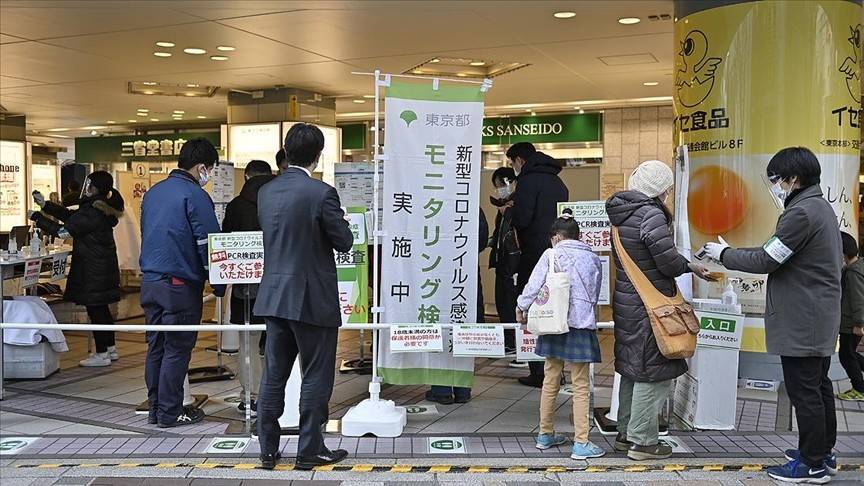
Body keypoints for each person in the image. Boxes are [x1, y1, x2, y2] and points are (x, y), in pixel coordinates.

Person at [703, 147, 841, 483]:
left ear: (794, 179)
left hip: (803, 319)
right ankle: (822, 451)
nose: (774, 185)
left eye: (776, 179)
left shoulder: (801, 214)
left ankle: (811, 464)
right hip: (816, 315)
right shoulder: (819, 207)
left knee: (804, 391)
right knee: (819, 387)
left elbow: (767, 259)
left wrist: (723, 253)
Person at [254, 123, 354, 471]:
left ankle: (267, 449)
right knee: (315, 374)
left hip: (273, 296)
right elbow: (343, 241)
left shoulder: (266, 192)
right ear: (318, 155)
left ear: (286, 151)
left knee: (274, 374)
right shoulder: (321, 193)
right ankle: (310, 449)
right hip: (312, 299)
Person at [606, 159, 712, 461]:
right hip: (650, 308)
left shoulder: (621, 215)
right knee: (653, 373)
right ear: (660, 190)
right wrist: (689, 265)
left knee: (631, 369)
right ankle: (643, 443)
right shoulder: (649, 214)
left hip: (629, 303)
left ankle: (626, 435)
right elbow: (665, 260)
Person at [140, 138, 225, 428]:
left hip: (150, 281)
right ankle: (170, 411)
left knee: (157, 347)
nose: (209, 175)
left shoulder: (154, 193)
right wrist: (218, 283)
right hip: (180, 284)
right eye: (210, 169)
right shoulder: (195, 195)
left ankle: (155, 409)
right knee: (177, 348)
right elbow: (209, 244)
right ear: (202, 167)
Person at [516, 215, 605, 459]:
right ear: (578, 235)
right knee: (580, 385)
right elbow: (595, 293)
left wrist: (521, 306)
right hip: (581, 325)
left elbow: (534, 285)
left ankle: (545, 435)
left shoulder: (551, 254)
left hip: (554, 323)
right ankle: (581, 442)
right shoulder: (593, 258)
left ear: (556, 237)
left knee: (550, 379)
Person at [30, 171, 124, 367]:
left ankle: (101, 353)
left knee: (96, 309)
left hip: (92, 268)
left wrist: (38, 217)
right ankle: (110, 348)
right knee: (102, 309)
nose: (86, 188)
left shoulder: (92, 212)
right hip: (102, 266)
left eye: (89, 184)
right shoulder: (99, 208)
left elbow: (64, 231)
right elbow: (71, 216)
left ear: (95, 188)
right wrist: (45, 205)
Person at [508, 142, 569, 387]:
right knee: (556, 307)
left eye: (512, 162)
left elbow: (523, 220)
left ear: (520, 160)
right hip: (557, 252)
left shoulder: (527, 181)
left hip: (533, 254)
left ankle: (538, 371)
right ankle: (555, 369)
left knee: (532, 308)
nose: (513, 167)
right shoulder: (558, 181)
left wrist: (509, 212)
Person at [221, 159, 275, 416]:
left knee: (249, 343)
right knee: (281, 339)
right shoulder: (281, 201)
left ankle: (252, 396)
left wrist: (220, 286)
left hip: (246, 288)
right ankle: (279, 394)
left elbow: (225, 245)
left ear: (247, 177)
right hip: (280, 287)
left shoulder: (236, 206)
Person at [426, 208, 489, 405]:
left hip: (438, 272)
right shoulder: (470, 202)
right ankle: (463, 391)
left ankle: (442, 390)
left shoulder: (434, 204)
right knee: (463, 329)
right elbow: (483, 239)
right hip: (465, 273)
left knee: (440, 330)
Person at [488, 167, 522, 361]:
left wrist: (508, 212)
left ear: (510, 183)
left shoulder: (517, 206)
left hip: (513, 264)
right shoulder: (503, 209)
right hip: (502, 261)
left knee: (511, 304)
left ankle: (515, 343)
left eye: (500, 185)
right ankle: (508, 342)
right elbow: (498, 235)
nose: (498, 190)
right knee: (503, 303)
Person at [838, 231, 864, 402]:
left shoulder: (853, 273)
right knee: (851, 354)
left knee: (846, 355)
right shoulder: (856, 267)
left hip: (851, 323)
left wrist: (858, 323)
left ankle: (859, 389)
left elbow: (858, 299)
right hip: (851, 321)